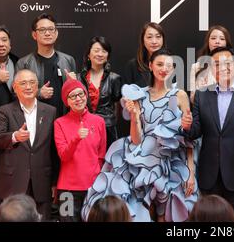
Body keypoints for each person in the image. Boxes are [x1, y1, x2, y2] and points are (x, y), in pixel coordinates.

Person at [82, 49, 198, 222]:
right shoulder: (139, 94)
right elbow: (136, 140)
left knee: (172, 211)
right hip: (140, 158)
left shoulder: (179, 95)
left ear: (173, 69)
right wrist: (135, 116)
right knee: (127, 204)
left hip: (172, 160)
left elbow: (188, 139)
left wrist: (191, 172)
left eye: (168, 65)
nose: (164, 69)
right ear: (150, 66)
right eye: (159, 64)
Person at [182, 47, 234, 222]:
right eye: (217, 64)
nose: (223, 67)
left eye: (228, 63)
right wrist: (187, 127)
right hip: (210, 174)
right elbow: (195, 132)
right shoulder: (202, 95)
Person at [0, 69, 57, 220]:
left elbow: (54, 149)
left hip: (42, 179)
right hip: (13, 180)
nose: (28, 87)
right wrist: (14, 136)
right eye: (23, 83)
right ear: (15, 87)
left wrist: (55, 181)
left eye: (32, 82)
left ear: (37, 86)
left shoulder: (50, 111)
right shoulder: (6, 110)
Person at [54, 78, 107, 222]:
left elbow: (101, 156)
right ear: (67, 101)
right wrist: (76, 138)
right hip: (67, 189)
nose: (78, 99)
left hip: (93, 188)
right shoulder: (59, 123)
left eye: (81, 94)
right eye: (72, 96)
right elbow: (64, 155)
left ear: (86, 95)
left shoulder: (99, 121)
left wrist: (98, 182)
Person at [15, 13, 77, 118]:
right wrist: (38, 93)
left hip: (64, 119)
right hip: (36, 119)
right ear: (34, 35)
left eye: (51, 29)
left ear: (56, 33)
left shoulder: (68, 60)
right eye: (42, 30)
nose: (47, 33)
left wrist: (73, 84)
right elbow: (16, 94)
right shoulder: (24, 63)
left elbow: (77, 93)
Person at [78, 36, 122, 148]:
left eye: (104, 51)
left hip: (107, 130)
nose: (100, 54)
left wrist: (110, 122)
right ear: (88, 54)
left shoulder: (114, 78)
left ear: (107, 56)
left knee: (107, 163)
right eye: (96, 50)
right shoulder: (78, 78)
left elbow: (117, 106)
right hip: (84, 129)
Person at [0, 25, 19, 212]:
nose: (0, 44)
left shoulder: (19, 62)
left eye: (4, 40)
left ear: (10, 43)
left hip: (16, 130)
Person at [189, 25, 234, 103]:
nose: (217, 41)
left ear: (226, 43)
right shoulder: (196, 67)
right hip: (205, 112)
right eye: (213, 38)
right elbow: (193, 99)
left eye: (222, 39)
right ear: (208, 42)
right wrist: (202, 92)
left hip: (232, 112)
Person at [122, 22, 166, 87]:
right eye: (149, 37)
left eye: (158, 37)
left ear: (163, 39)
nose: (154, 41)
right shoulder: (132, 65)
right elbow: (125, 93)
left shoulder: (172, 64)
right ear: (143, 40)